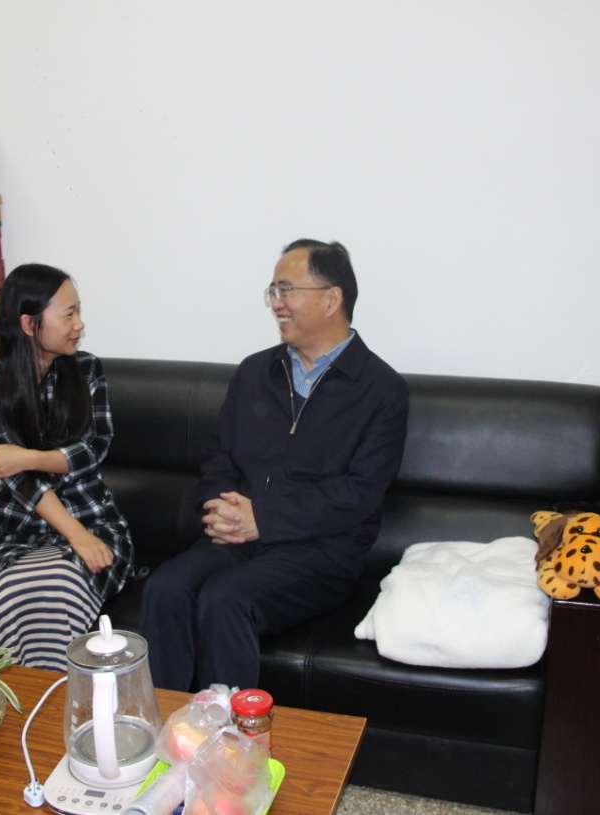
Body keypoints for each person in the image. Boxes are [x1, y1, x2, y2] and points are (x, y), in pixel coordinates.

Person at [139, 239, 410, 691]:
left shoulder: (381, 390)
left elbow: (359, 493)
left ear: (332, 298)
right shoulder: (254, 373)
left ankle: (229, 733)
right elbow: (219, 456)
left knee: (226, 598)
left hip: (320, 552)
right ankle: (166, 725)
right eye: (273, 292)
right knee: (165, 589)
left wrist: (262, 519)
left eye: (287, 290)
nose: (276, 304)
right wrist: (222, 510)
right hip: (237, 537)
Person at [0, 263, 134, 671]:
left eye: (78, 311)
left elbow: (93, 448)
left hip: (94, 523)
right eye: (69, 313)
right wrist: (73, 534)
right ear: (28, 323)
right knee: (16, 589)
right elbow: (19, 482)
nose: (79, 324)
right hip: (16, 536)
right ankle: (17, 694)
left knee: (60, 583)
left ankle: (59, 695)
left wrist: (28, 457)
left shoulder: (87, 370)